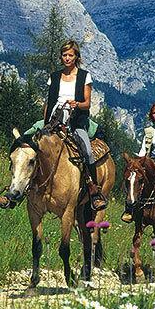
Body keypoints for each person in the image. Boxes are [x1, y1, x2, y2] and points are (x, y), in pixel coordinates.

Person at [45, 39, 106, 211]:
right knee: (31, 141)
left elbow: (87, 103)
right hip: (54, 119)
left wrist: (76, 104)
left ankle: (94, 190)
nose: (67, 58)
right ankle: (22, 187)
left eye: (70, 55)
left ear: (76, 57)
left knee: (86, 150)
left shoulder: (84, 76)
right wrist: (45, 122)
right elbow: (48, 103)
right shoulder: (54, 77)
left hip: (76, 119)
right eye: (64, 55)